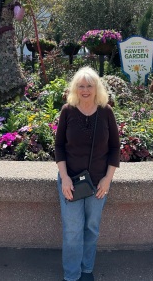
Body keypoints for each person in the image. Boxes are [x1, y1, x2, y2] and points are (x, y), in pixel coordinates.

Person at [55, 66, 120, 281]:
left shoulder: (106, 112)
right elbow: (59, 147)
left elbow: (114, 148)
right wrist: (64, 178)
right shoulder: (68, 111)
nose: (85, 90)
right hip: (71, 180)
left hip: (98, 182)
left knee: (91, 228)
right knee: (73, 230)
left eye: (89, 86)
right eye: (81, 86)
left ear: (96, 88)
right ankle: (72, 275)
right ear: (75, 88)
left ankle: (86, 271)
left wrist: (107, 179)